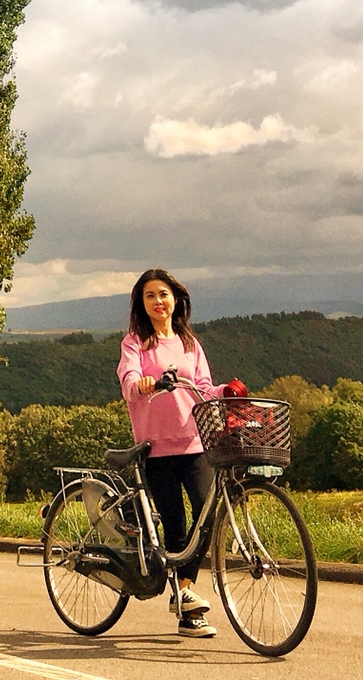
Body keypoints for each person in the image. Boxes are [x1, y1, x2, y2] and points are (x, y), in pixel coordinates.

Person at [116, 267, 231, 636]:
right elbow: (128, 380)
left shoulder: (188, 343)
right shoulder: (135, 342)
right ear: (142, 303)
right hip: (157, 447)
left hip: (194, 442)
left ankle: (184, 594)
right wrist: (142, 385)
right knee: (176, 525)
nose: (158, 302)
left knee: (205, 513)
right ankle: (187, 605)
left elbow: (202, 388)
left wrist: (225, 391)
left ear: (176, 299)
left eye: (163, 294)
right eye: (150, 296)